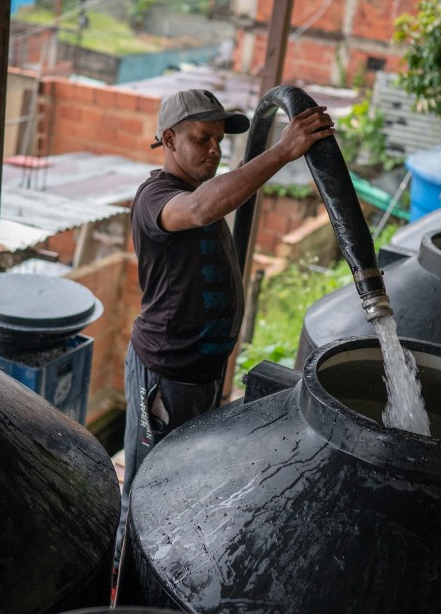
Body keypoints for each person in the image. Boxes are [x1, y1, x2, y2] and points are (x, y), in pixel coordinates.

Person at [114, 88, 334, 570]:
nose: (214, 149)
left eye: (218, 140)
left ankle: (165, 575)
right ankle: (126, 589)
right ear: (168, 139)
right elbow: (198, 211)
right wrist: (282, 150)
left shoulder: (198, 193)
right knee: (146, 489)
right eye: (201, 138)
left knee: (180, 483)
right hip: (165, 374)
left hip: (201, 375)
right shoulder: (159, 197)